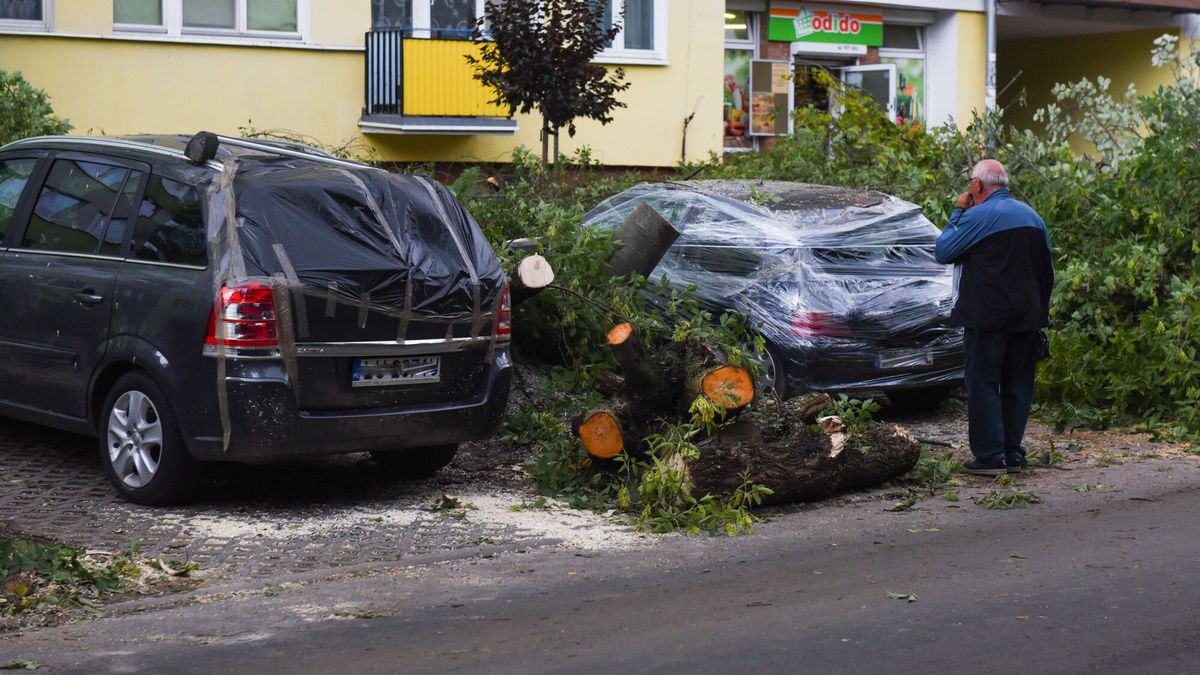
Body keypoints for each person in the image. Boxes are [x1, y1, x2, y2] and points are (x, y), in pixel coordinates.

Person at [934, 159, 1053, 477]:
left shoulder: (976, 216)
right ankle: (1012, 453)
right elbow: (1047, 268)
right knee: (1017, 384)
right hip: (1028, 317)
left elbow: (943, 250)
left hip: (987, 317)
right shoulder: (1032, 216)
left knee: (983, 383)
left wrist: (958, 211)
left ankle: (989, 457)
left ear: (976, 186)